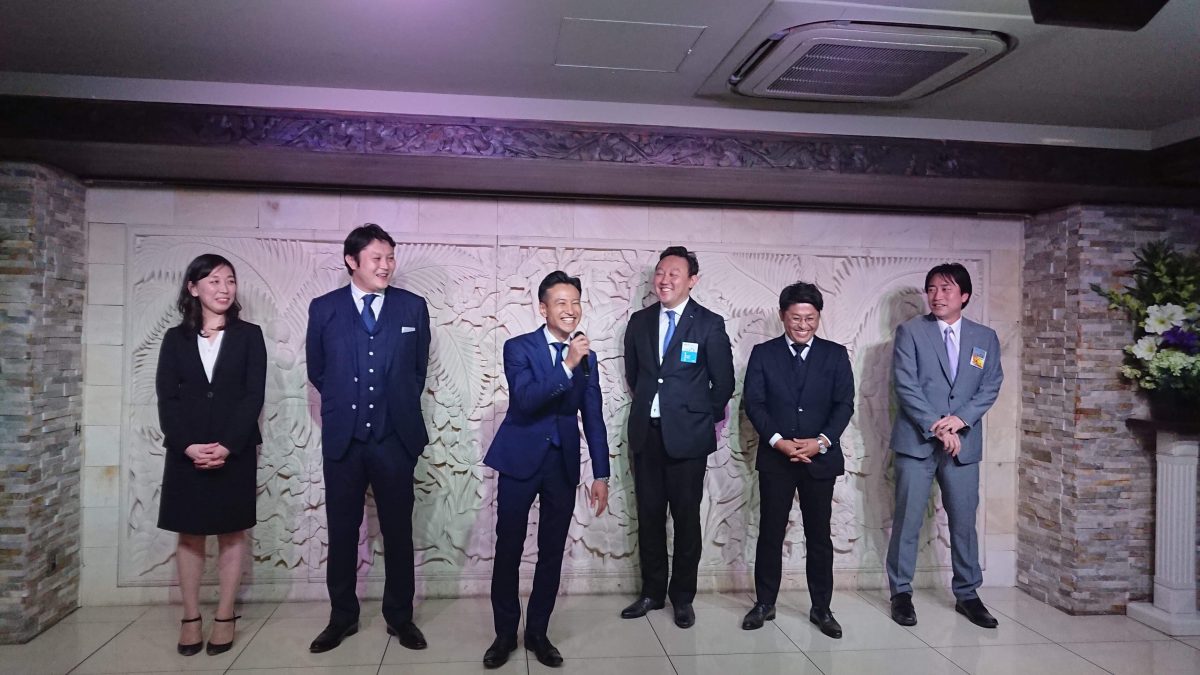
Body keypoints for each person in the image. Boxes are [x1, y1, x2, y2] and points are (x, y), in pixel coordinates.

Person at [305, 224, 431, 653]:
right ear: (351, 261)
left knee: (398, 531)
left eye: (390, 257)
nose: (386, 265)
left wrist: (393, 410)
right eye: (377, 258)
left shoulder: (413, 308)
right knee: (342, 531)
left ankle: (400, 617)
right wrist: (349, 405)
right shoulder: (324, 309)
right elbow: (318, 371)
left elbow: (417, 372)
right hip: (344, 439)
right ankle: (342, 617)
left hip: (395, 439)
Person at [481, 271, 610, 669]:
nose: (570, 310)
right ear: (543, 308)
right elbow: (525, 400)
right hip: (519, 459)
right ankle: (505, 634)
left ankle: (538, 632)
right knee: (509, 548)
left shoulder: (587, 358)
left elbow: (593, 416)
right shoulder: (518, 347)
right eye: (561, 303)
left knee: (552, 551)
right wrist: (567, 365)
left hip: (562, 464)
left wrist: (601, 474)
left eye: (575, 302)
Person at [156, 253, 266, 656]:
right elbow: (166, 397)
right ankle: (190, 617)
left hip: (234, 450)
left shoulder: (249, 335)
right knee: (189, 534)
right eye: (215, 281)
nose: (224, 289)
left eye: (230, 281)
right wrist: (186, 444)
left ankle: (224, 615)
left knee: (232, 532)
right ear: (193, 287)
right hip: (186, 450)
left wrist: (228, 445)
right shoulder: (175, 339)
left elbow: (253, 394)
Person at [620, 246, 734, 629]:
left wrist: (696, 419)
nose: (664, 280)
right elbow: (635, 376)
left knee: (686, 520)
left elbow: (724, 384)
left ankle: (682, 597)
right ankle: (652, 592)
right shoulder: (639, 322)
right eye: (660, 273)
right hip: (647, 436)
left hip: (688, 441)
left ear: (692, 280)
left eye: (674, 274)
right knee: (649, 517)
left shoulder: (709, 324)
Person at [885, 262, 1003, 629]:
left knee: (964, 522)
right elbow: (905, 385)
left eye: (946, 289)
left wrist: (960, 420)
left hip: (962, 445)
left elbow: (990, 385)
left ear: (964, 295)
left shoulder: (985, 337)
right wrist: (938, 426)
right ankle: (901, 593)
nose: (937, 296)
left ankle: (967, 594)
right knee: (907, 519)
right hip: (917, 442)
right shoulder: (910, 332)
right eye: (932, 289)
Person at [741, 282, 854, 638]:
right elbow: (754, 403)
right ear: (782, 316)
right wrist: (779, 442)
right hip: (777, 459)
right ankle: (764, 603)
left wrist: (821, 442)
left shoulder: (835, 355)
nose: (803, 325)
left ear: (818, 317)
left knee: (819, 536)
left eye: (809, 318)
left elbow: (844, 405)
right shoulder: (763, 353)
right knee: (770, 533)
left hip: (820, 459)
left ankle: (822, 608)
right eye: (795, 318)